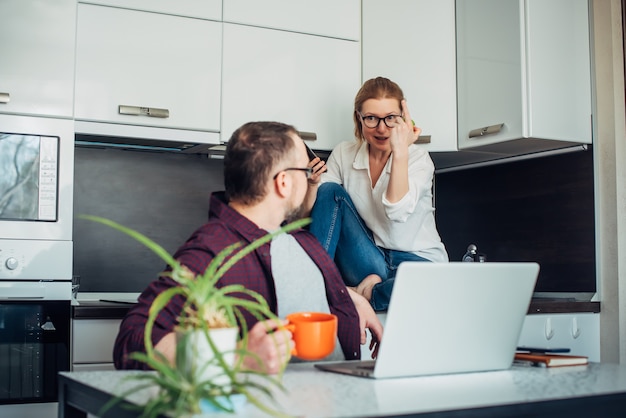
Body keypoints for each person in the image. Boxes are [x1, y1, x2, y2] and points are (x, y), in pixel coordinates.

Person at [113, 121, 383, 374]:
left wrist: (347, 298)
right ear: (284, 182)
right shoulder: (212, 250)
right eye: (306, 171)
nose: (311, 178)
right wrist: (237, 356)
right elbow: (132, 343)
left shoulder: (298, 238)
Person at [304, 77, 448, 311]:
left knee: (438, 286)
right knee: (329, 190)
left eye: (390, 118)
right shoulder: (344, 153)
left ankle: (346, 293)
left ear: (403, 119)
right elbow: (316, 213)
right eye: (371, 118)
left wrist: (400, 151)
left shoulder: (419, 159)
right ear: (359, 118)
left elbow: (397, 211)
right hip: (371, 261)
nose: (382, 128)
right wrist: (312, 186)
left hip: (418, 264)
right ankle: (313, 285)